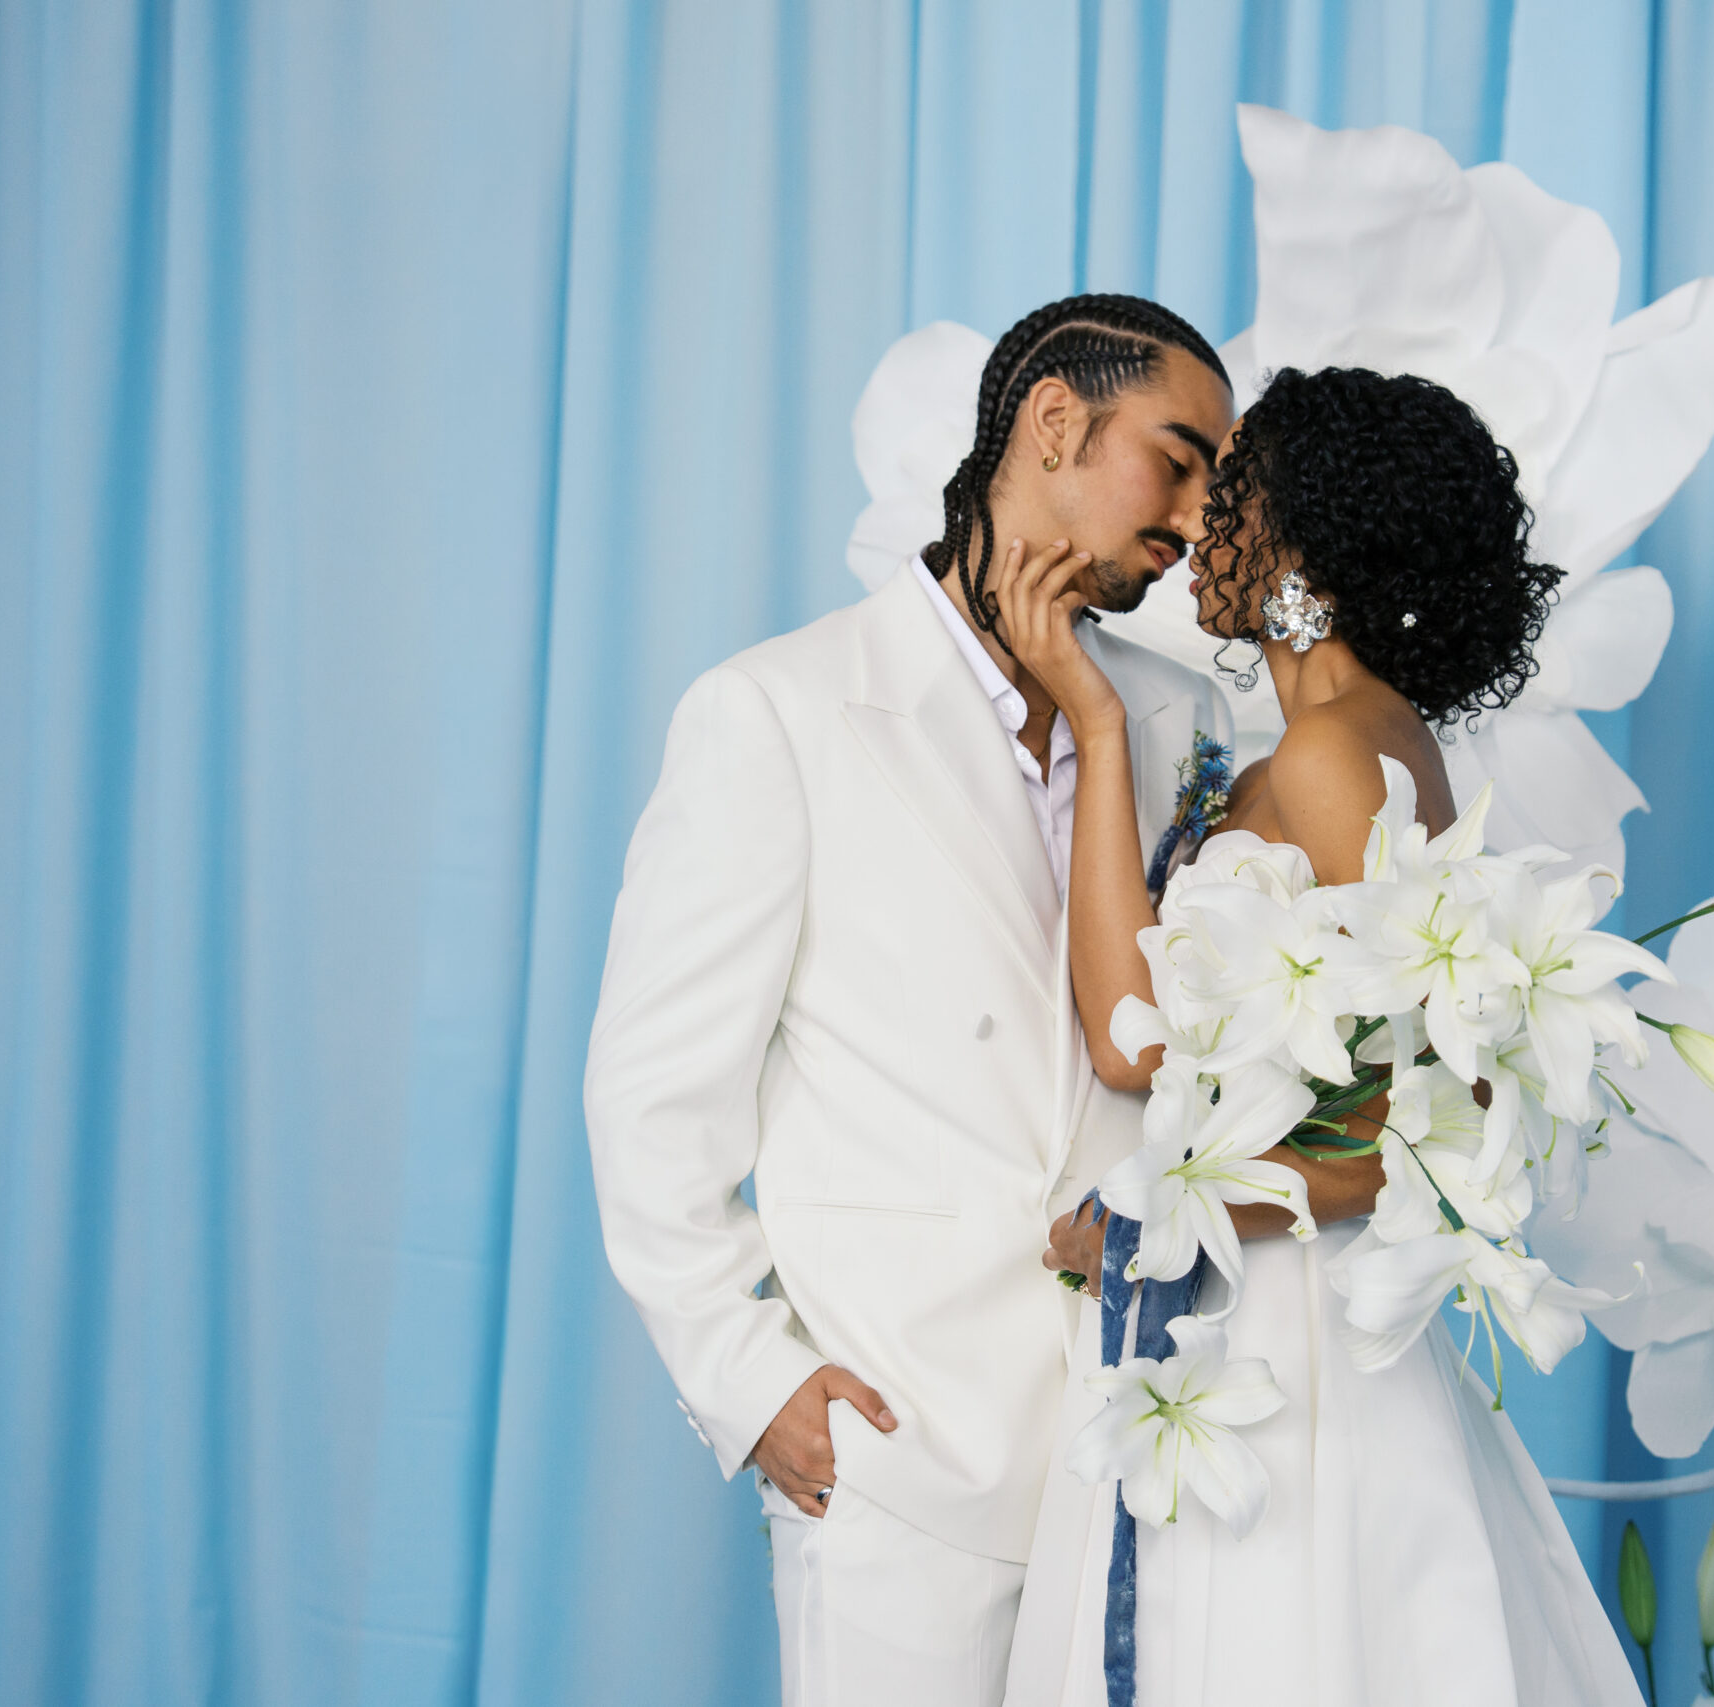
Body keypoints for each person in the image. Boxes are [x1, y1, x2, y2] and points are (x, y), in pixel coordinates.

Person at [582, 293, 1238, 1707]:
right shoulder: (781, 712)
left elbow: (1178, 1053)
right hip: (909, 1454)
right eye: (1177, 462)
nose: (1195, 521)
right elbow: (654, 1093)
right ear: (1057, 421)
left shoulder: (1180, 721)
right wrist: (752, 1383)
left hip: (1147, 1433)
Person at [995, 366, 1648, 1705]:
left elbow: (1434, 1125)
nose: (1195, 529)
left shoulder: (1338, 753)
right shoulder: (1300, 750)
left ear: (1300, 537)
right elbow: (1132, 1042)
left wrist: (1157, 1217)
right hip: (1232, 1328)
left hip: (1292, 1346)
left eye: (1227, 494)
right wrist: (1100, 719)